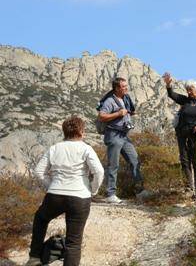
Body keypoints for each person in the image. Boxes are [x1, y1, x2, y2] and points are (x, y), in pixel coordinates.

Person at [26, 116, 104, 266]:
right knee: (73, 243)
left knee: (41, 219)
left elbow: (38, 171)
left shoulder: (55, 148)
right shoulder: (86, 148)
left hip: (55, 195)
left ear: (64, 131)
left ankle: (34, 257)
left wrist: (51, 185)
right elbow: (99, 172)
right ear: (81, 132)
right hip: (80, 197)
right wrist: (92, 190)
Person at [98, 77, 145, 203]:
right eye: (123, 86)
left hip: (124, 136)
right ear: (117, 88)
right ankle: (110, 194)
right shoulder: (109, 101)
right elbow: (102, 116)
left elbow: (128, 112)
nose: (126, 88)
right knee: (113, 165)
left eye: (126, 86)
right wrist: (118, 114)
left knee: (134, 160)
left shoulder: (125, 99)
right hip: (113, 134)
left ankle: (140, 191)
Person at [163, 72, 196, 199]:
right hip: (182, 134)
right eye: (187, 90)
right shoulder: (185, 100)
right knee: (184, 160)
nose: (189, 92)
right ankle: (188, 187)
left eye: (191, 89)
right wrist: (168, 85)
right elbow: (172, 95)